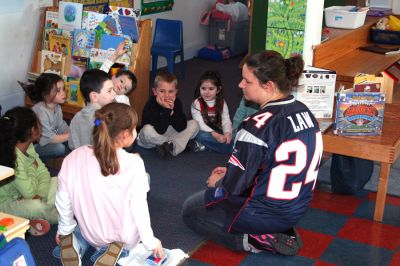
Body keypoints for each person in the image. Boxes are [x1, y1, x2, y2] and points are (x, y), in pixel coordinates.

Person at [182, 51, 323, 256]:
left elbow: (235, 188)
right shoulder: (306, 112)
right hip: (296, 208)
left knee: (190, 211)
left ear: (269, 86)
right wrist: (233, 170)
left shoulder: (255, 127)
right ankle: (275, 229)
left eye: (247, 81)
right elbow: (268, 163)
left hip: (261, 211)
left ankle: (255, 239)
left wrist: (218, 183)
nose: (240, 85)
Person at [55, 102, 164, 266]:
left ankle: (76, 243)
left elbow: (63, 199)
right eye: (135, 128)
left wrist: (64, 229)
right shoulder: (133, 164)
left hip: (91, 232)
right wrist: (151, 241)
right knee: (143, 182)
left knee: (77, 229)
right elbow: (139, 208)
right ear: (125, 135)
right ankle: (116, 251)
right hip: (123, 238)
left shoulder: (73, 157)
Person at [0, 107, 58, 236]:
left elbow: (44, 173)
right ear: (32, 130)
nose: (40, 126)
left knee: (59, 181)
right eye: (38, 123)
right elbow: (30, 193)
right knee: (36, 206)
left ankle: (31, 220)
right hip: (5, 205)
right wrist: (33, 166)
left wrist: (41, 195)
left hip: (26, 196)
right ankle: (65, 217)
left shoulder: (28, 145)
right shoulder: (12, 156)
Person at [137, 71, 199, 158]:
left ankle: (170, 146)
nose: (166, 95)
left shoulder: (177, 102)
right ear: (155, 91)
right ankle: (177, 145)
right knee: (146, 130)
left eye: (170, 91)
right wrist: (167, 110)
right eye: (162, 91)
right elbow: (160, 130)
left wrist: (172, 112)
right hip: (151, 138)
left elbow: (181, 127)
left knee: (194, 124)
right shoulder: (151, 104)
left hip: (168, 132)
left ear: (176, 92)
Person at [23, 73, 69, 162]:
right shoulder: (41, 111)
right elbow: (49, 138)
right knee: (60, 148)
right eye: (58, 90)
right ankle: (38, 161)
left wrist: (71, 132)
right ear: (45, 94)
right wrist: (71, 135)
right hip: (34, 146)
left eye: (63, 89)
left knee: (71, 137)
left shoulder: (57, 107)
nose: (63, 93)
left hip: (48, 139)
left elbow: (62, 126)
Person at [68, 69, 116, 150]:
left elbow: (71, 144)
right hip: (96, 160)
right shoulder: (102, 119)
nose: (114, 93)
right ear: (94, 96)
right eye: (109, 91)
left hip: (78, 159)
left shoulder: (76, 117)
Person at [191, 70, 233, 154]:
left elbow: (226, 120)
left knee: (234, 133)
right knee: (199, 135)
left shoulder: (222, 102)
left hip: (217, 130)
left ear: (218, 90)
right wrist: (215, 135)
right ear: (199, 88)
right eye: (203, 88)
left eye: (211, 89)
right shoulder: (196, 103)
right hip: (202, 130)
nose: (206, 92)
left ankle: (205, 146)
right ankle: (227, 148)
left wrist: (227, 133)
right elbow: (200, 124)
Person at [100, 42, 137, 106]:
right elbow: (101, 73)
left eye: (125, 88)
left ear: (125, 93)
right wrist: (116, 55)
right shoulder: (103, 84)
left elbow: (127, 113)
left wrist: (117, 106)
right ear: (113, 77)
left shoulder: (123, 100)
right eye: (122, 81)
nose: (122, 86)